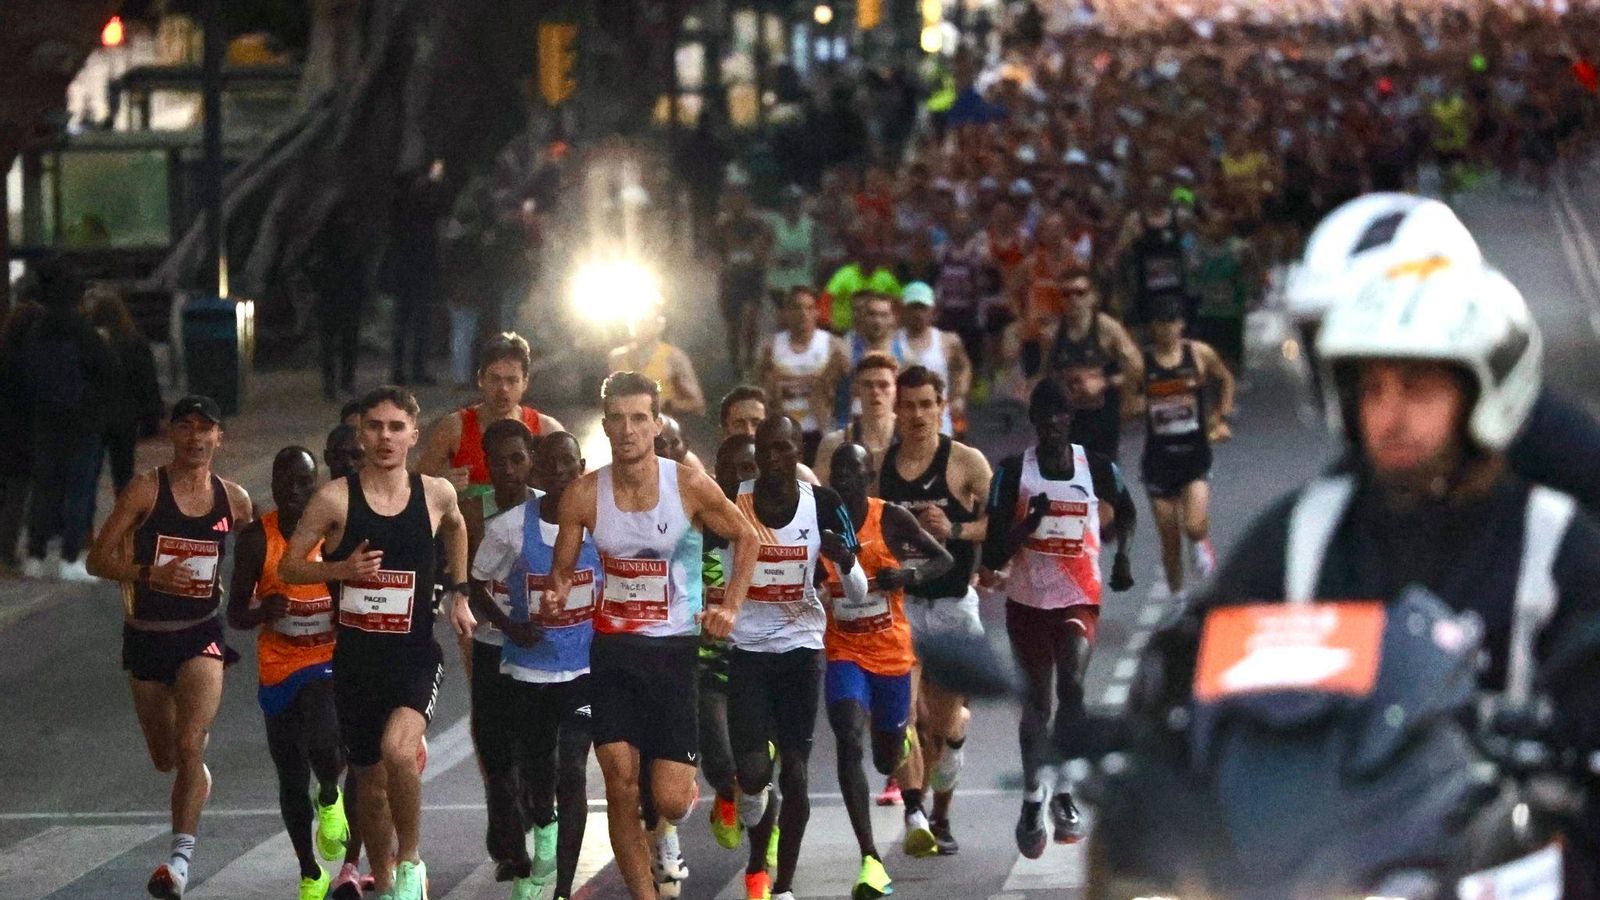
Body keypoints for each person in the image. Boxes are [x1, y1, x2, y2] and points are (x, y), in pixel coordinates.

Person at [1202, 260, 1600, 891]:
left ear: (1482, 396)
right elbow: (1201, 647)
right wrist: (1135, 730)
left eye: (1417, 389)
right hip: (1318, 853)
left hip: (1498, 852)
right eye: (1373, 390)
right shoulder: (1307, 531)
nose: (1390, 413)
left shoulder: (1553, 543)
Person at [539, 371, 759, 900]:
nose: (628, 429)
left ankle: (676, 808)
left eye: (639, 418)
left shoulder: (687, 485)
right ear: (605, 425)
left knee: (670, 801)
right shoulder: (584, 494)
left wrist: (730, 606)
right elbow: (561, 573)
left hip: (673, 655)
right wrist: (555, 593)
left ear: (657, 424)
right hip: (613, 654)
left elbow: (747, 536)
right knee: (619, 782)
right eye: (617, 418)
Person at [280, 386, 476, 899]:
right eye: (375, 427)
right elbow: (289, 565)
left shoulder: (435, 493)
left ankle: (410, 859)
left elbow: (457, 528)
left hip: (414, 655)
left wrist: (459, 591)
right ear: (361, 434)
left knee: (399, 751)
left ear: (413, 434)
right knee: (369, 779)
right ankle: (385, 879)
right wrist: (342, 569)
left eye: (396, 428)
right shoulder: (335, 498)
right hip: (356, 662)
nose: (385, 437)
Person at [85, 394, 254, 899]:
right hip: (146, 637)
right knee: (166, 757)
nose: (196, 437)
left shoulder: (235, 500)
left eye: (206, 428)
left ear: (220, 437)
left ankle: (179, 863)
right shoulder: (146, 489)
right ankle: (194, 775)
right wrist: (148, 573)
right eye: (186, 427)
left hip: (201, 633)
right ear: (173, 434)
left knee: (189, 742)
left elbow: (258, 554)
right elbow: (97, 559)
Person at [982, 379, 1136, 858]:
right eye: (1044, 416)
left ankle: (1064, 794)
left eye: (1060, 415)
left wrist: (1122, 557)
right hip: (1028, 603)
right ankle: (1033, 800)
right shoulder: (1013, 474)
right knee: (1037, 705)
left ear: (1070, 420)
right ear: (1033, 421)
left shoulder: (1097, 468)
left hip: (1078, 597)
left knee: (1071, 681)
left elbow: (1127, 510)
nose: (1052, 423)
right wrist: (1029, 524)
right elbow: (992, 554)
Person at [727, 414, 868, 900]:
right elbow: (703, 558)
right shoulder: (734, 502)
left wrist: (844, 560)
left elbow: (857, 591)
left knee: (795, 772)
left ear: (798, 453)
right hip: (748, 650)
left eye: (784, 448)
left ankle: (782, 886)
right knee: (753, 775)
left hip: (801, 650)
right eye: (766, 449)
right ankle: (753, 828)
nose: (774, 459)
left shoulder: (823, 504)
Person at [822, 442, 953, 899]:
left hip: (891, 654)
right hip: (844, 650)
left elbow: (944, 560)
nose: (843, 478)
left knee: (884, 757)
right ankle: (870, 857)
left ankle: (902, 742)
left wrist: (909, 576)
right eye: (837, 471)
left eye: (853, 471)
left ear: (868, 476)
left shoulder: (890, 518)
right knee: (847, 734)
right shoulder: (819, 525)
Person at [471, 430, 595, 900]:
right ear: (536, 472)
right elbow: (476, 582)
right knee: (538, 773)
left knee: (573, 770)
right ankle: (544, 824)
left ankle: (561, 887)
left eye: (569, 463)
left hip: (584, 670)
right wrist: (509, 626)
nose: (560, 472)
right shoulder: (509, 529)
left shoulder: (601, 523)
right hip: (529, 672)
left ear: (582, 467)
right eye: (550, 465)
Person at [877, 366, 992, 857]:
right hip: (902, 606)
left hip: (951, 606)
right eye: (909, 405)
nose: (918, 415)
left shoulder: (966, 462)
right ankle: (915, 812)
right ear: (897, 410)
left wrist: (956, 529)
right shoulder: (883, 466)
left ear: (942, 407)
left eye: (927, 404)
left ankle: (940, 812)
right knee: (902, 716)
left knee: (942, 727)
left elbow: (999, 523)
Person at [225, 447, 350, 900]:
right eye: (286, 481)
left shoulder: (334, 534)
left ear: (316, 487)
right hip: (279, 665)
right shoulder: (257, 540)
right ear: (274, 485)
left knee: (323, 738)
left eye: (304, 482)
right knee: (291, 775)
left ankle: (330, 794)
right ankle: (310, 871)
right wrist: (263, 611)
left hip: (327, 659)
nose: (294, 491)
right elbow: (235, 613)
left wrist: (342, 614)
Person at [457, 418, 544, 890]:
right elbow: (465, 579)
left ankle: (524, 818)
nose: (509, 470)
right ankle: (508, 835)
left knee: (533, 745)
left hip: (539, 650)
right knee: (494, 744)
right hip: (492, 644)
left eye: (517, 459)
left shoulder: (550, 507)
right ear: (486, 465)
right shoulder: (473, 513)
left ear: (531, 461)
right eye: (499, 461)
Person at [11, 257, 117, 581]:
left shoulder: (37, 329)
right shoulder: (81, 331)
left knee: (45, 489)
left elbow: (24, 375)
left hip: (45, 420)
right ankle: (71, 558)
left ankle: (35, 554)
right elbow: (107, 369)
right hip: (81, 422)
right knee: (78, 490)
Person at [1133, 298, 1236, 597]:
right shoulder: (1142, 363)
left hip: (1194, 455)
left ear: (1181, 324)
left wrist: (1220, 417)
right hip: (1158, 461)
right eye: (1161, 324)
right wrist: (1153, 402)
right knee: (1170, 541)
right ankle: (1178, 598)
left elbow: (1225, 378)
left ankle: (1200, 540)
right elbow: (1128, 404)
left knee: (1193, 525)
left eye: (1172, 322)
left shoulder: (1198, 354)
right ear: (1153, 328)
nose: (1168, 330)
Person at [701, 435, 759, 859]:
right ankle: (725, 790)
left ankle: (764, 853)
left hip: (758, 659)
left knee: (759, 767)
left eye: (749, 470)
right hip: (707, 662)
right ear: (717, 474)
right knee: (720, 759)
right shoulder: (697, 525)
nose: (741, 479)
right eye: (732, 470)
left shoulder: (771, 526)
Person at [419, 332, 563, 500]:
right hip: (470, 517)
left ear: (525, 383)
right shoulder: (454, 427)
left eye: (512, 380)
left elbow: (574, 486)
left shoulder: (547, 430)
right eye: (495, 379)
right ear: (480, 379)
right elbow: (414, 488)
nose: (503, 389)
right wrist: (442, 485)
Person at [1044, 267, 1144, 462]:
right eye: (1066, 294)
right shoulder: (1053, 333)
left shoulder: (1107, 328)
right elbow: (1045, 374)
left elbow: (1137, 367)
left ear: (1092, 297)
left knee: (1102, 471)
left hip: (1103, 417)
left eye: (1080, 293)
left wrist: (1105, 382)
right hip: (1068, 418)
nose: (1073, 300)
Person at [757, 287, 848, 463]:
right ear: (786, 312)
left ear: (817, 312)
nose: (803, 314)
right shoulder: (770, 347)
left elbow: (846, 388)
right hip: (784, 432)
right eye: (797, 308)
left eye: (809, 308)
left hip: (820, 430)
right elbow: (761, 389)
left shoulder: (833, 346)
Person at [88, 286, 164, 495]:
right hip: (125, 416)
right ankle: (125, 512)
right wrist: (152, 414)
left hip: (96, 415)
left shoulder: (90, 343)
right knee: (123, 474)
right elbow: (146, 381)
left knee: (90, 474)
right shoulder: (134, 342)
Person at [896, 282, 972, 436]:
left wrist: (959, 396)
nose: (918, 313)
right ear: (904, 310)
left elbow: (963, 367)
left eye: (923, 308)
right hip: (903, 420)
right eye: (913, 308)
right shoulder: (892, 341)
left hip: (939, 420)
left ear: (933, 310)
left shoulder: (948, 341)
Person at [815, 353, 898, 487]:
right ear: (856, 389)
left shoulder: (910, 438)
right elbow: (818, 492)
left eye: (883, 385)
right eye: (868, 385)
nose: (875, 391)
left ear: (896, 390)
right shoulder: (834, 444)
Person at [715, 180, 773, 374]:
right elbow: (716, 252)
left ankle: (749, 359)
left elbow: (766, 244)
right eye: (733, 198)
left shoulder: (758, 224)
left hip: (752, 278)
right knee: (733, 326)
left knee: (750, 321)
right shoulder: (722, 225)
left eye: (741, 198)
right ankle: (735, 363)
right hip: (731, 280)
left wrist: (759, 256)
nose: (737, 202)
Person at [608, 313, 708, 419]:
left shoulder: (673, 357)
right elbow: (608, 400)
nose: (640, 325)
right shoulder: (617, 358)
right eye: (637, 320)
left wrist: (667, 405)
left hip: (662, 425)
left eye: (645, 321)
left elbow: (698, 404)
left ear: (659, 325)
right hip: (626, 425)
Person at [720, 385, 820, 485]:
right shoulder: (717, 481)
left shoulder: (797, 476)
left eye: (756, 423)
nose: (749, 432)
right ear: (725, 431)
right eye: (739, 425)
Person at [764, 185, 817, 307]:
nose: (791, 207)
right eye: (788, 203)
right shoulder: (774, 225)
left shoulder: (811, 226)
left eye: (795, 203)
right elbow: (764, 252)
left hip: (802, 284)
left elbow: (817, 255)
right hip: (778, 286)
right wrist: (775, 260)